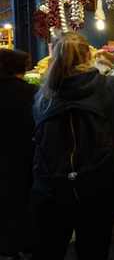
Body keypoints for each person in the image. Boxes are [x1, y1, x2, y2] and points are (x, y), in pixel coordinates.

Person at [31, 32, 114, 260]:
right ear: (88, 55)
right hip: (99, 186)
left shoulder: (42, 96)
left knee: (48, 252)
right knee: (94, 250)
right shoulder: (112, 86)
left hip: (50, 189)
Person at [0, 49, 38, 260]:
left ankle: (7, 249)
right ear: (22, 69)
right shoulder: (33, 92)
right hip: (26, 158)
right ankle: (28, 244)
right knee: (26, 202)